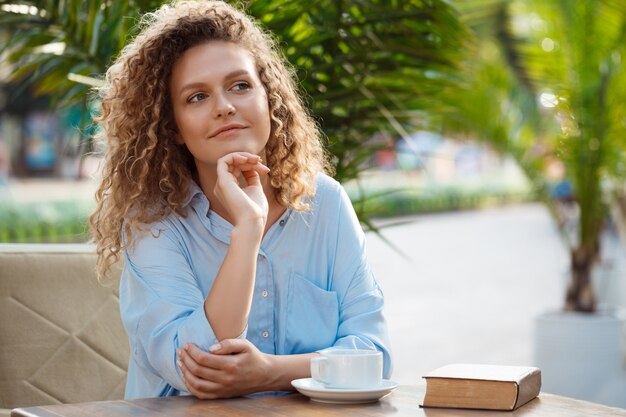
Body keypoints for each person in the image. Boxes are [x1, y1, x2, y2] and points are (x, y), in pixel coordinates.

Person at [89, 0, 392, 400]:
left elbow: (375, 357)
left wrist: (270, 373)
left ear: (269, 98)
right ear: (173, 127)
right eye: (197, 97)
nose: (225, 107)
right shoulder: (153, 224)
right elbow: (196, 367)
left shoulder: (327, 205)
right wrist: (248, 229)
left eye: (240, 86)